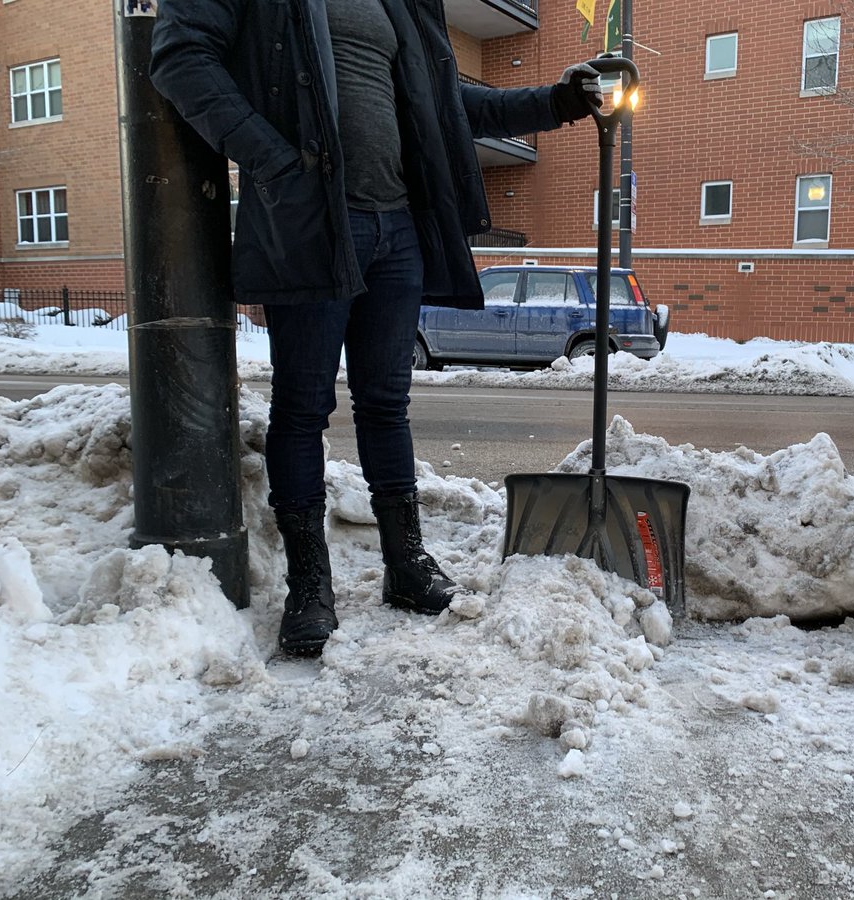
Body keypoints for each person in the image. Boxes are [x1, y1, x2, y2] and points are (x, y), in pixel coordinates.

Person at [149, 0, 602, 656]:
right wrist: (273, 161)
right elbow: (180, 58)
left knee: (387, 405)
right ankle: (310, 583)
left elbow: (448, 106)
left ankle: (406, 564)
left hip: (398, 229)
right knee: (301, 409)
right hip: (312, 223)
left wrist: (557, 102)